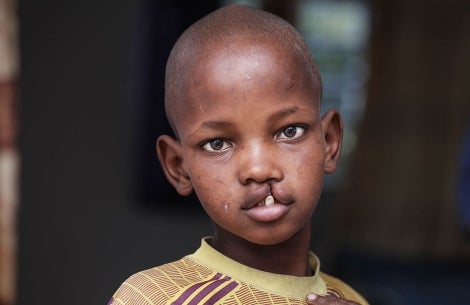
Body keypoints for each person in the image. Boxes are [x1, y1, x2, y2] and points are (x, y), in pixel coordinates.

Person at [109, 5, 368, 305]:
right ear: (178, 167)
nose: (259, 169)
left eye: (289, 131)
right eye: (217, 144)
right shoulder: (153, 298)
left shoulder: (351, 300)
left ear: (330, 142)